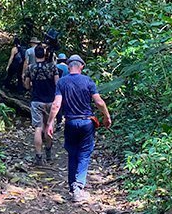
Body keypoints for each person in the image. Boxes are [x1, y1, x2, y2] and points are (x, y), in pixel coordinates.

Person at [46, 55, 112, 202]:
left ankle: (72, 186)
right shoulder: (88, 81)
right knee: (84, 154)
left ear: (69, 67)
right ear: (81, 66)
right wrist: (106, 116)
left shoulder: (62, 82)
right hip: (86, 123)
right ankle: (79, 187)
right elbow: (99, 102)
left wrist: (50, 123)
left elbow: (56, 105)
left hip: (70, 123)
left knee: (72, 153)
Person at [24, 45, 60, 166]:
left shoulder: (30, 68)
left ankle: (39, 156)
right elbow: (57, 84)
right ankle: (49, 155)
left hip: (36, 100)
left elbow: (27, 86)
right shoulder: (52, 67)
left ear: (34, 55)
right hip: (50, 101)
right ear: (45, 54)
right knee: (49, 125)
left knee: (38, 128)